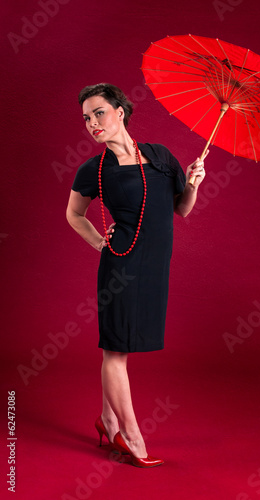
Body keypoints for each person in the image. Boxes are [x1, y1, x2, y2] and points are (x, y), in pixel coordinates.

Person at [66, 83, 207, 468]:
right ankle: (130, 435)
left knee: (119, 348)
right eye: (86, 118)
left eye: (99, 113)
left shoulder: (160, 156)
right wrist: (99, 243)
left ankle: (106, 420)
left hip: (155, 267)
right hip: (122, 266)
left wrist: (192, 184)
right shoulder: (93, 169)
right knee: (116, 350)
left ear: (120, 112)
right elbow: (73, 214)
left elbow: (181, 210)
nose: (92, 123)